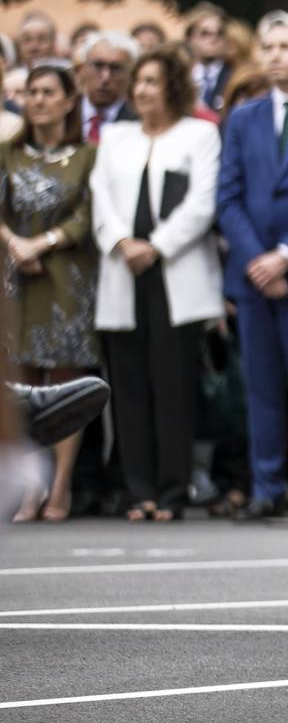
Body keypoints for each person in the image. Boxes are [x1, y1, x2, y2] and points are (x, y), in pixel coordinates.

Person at [88, 45, 223, 522]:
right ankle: (136, 490)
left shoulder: (200, 134)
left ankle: (171, 492)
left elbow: (203, 204)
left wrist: (156, 246)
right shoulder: (115, 136)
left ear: (173, 86)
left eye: (152, 81)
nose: (142, 89)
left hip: (175, 275)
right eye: (139, 81)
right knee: (128, 388)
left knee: (173, 387)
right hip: (123, 273)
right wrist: (124, 242)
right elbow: (100, 197)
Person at [216, 11, 288, 518]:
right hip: (252, 274)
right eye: (270, 46)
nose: (277, 55)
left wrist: (285, 255)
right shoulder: (243, 118)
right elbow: (228, 197)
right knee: (259, 385)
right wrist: (258, 259)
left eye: (286, 45)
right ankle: (267, 484)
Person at [0, 64, 99, 520]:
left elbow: (85, 215)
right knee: (19, 385)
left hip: (67, 276)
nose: (36, 99)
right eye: (31, 92)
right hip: (15, 274)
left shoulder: (87, 155)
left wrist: (43, 242)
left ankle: (60, 487)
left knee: (64, 388)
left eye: (47, 92)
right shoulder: (8, 152)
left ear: (68, 100)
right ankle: (25, 488)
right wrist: (15, 243)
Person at [75, 33, 137, 145]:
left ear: (131, 75)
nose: (105, 77)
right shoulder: (64, 114)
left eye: (116, 68)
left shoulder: (138, 122)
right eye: (97, 66)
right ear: (83, 69)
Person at [184, 3, 233, 113]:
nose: (213, 39)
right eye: (205, 33)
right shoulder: (180, 76)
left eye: (219, 33)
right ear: (189, 39)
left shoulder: (234, 76)